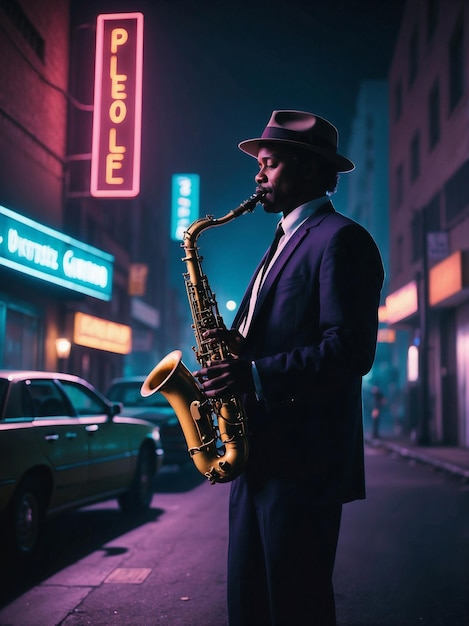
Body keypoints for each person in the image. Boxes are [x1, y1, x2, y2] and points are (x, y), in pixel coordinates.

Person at [194, 110, 384, 626]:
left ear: (305, 168)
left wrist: (253, 375)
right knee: (249, 603)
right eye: (260, 164)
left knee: (296, 607)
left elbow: (349, 351)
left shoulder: (342, 239)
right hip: (259, 454)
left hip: (303, 463)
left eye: (270, 163)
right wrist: (234, 346)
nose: (258, 175)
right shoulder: (280, 240)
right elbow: (279, 334)